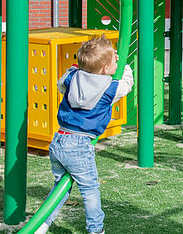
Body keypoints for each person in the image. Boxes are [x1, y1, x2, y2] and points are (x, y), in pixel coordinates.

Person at [36, 34, 134, 234]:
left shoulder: (73, 77)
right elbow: (127, 85)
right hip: (80, 144)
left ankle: (42, 224)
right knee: (89, 191)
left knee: (60, 189)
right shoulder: (109, 88)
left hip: (59, 140)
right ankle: (95, 230)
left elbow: (61, 84)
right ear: (106, 68)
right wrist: (124, 66)